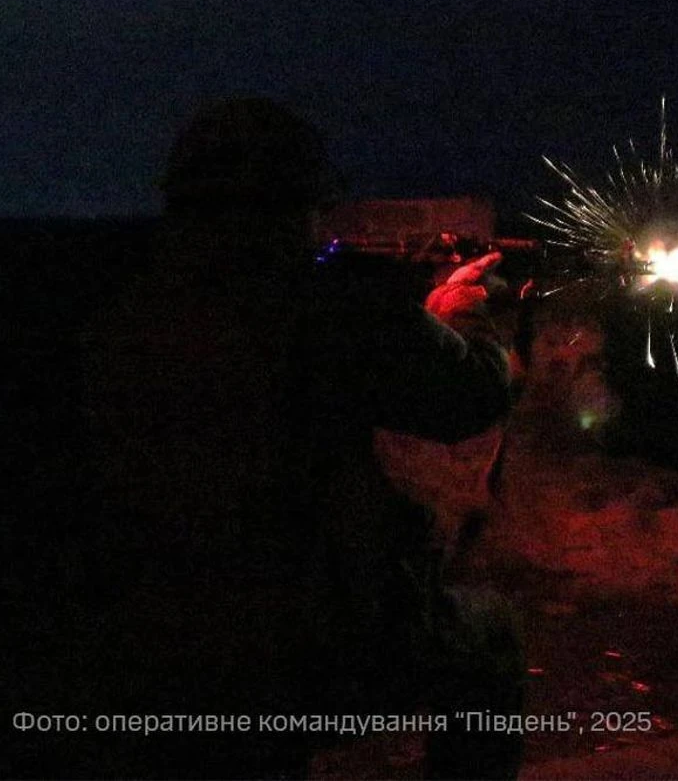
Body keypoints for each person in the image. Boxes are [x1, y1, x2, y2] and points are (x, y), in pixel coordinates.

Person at [59, 98, 520, 778]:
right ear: (297, 201)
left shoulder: (121, 306)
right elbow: (470, 397)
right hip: (300, 638)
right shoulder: (332, 305)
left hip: (138, 628)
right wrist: (467, 316)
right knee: (492, 634)